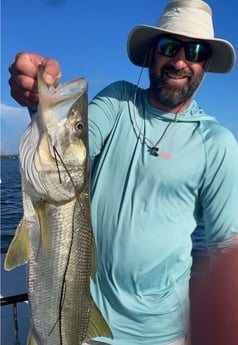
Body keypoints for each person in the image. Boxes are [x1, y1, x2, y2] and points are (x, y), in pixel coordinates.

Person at [8, 0, 238, 344]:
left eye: (195, 51)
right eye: (169, 46)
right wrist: (37, 103)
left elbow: (225, 249)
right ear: (151, 53)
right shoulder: (117, 103)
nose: (180, 60)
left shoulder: (217, 143)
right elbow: (72, 150)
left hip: (164, 334)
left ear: (205, 64)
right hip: (82, 320)